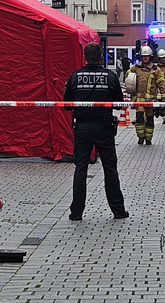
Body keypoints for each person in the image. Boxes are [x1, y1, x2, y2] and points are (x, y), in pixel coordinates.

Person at [63, 42, 129, 221]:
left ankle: (76, 212)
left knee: (80, 169)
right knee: (110, 168)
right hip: (104, 128)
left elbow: (67, 105)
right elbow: (119, 103)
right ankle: (118, 210)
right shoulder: (110, 77)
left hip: (82, 128)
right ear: (101, 57)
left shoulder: (75, 77)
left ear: (84, 57)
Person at [126, 45, 165, 145]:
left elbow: (161, 84)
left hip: (151, 100)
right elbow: (128, 81)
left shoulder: (155, 70)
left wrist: (164, 98)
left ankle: (148, 138)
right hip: (139, 99)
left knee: (150, 119)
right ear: (141, 57)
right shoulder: (135, 68)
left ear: (150, 57)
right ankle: (140, 137)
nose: (145, 58)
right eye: (144, 56)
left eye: (147, 56)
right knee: (139, 118)